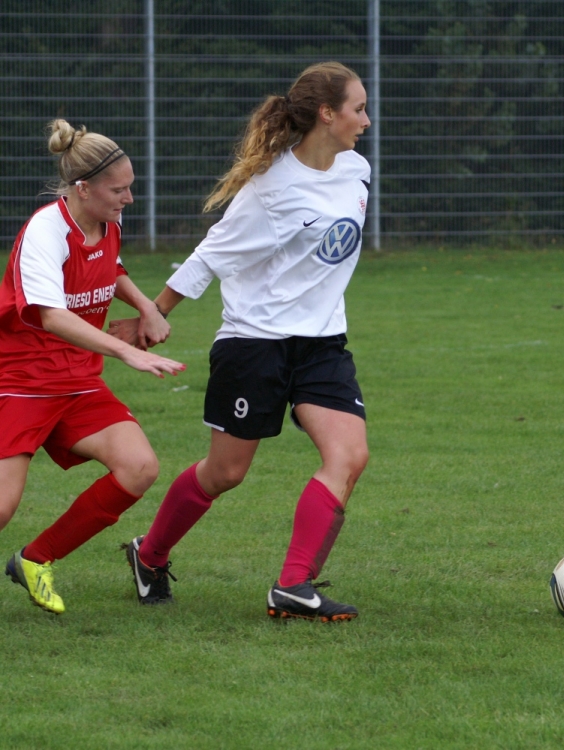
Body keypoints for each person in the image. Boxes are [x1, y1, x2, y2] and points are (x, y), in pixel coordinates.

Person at [111, 61, 372, 622]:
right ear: (327, 114)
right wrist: (152, 315)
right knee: (225, 473)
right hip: (254, 343)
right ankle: (149, 554)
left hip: (323, 344)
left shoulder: (357, 170)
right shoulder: (271, 189)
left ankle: (293, 585)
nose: (366, 121)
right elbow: (211, 254)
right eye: (358, 109)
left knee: (349, 456)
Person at [0, 119, 185, 614]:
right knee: (2, 504)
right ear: (83, 189)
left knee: (139, 467)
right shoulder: (45, 230)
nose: (128, 198)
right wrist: (125, 350)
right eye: (118, 190)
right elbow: (50, 315)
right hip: (19, 381)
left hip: (76, 380)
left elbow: (111, 267)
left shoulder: (107, 221)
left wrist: (147, 306)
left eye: (130, 187)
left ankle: (36, 559)